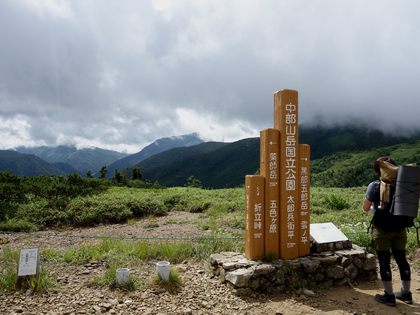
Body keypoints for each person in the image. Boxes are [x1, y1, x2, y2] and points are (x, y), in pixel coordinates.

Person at [363, 156, 413, 306]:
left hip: (382, 230)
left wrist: (375, 208)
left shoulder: (375, 185)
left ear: (379, 170)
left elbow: (365, 208)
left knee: (384, 261)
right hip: (401, 228)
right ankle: (407, 294)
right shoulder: (404, 186)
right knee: (402, 259)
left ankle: (389, 295)